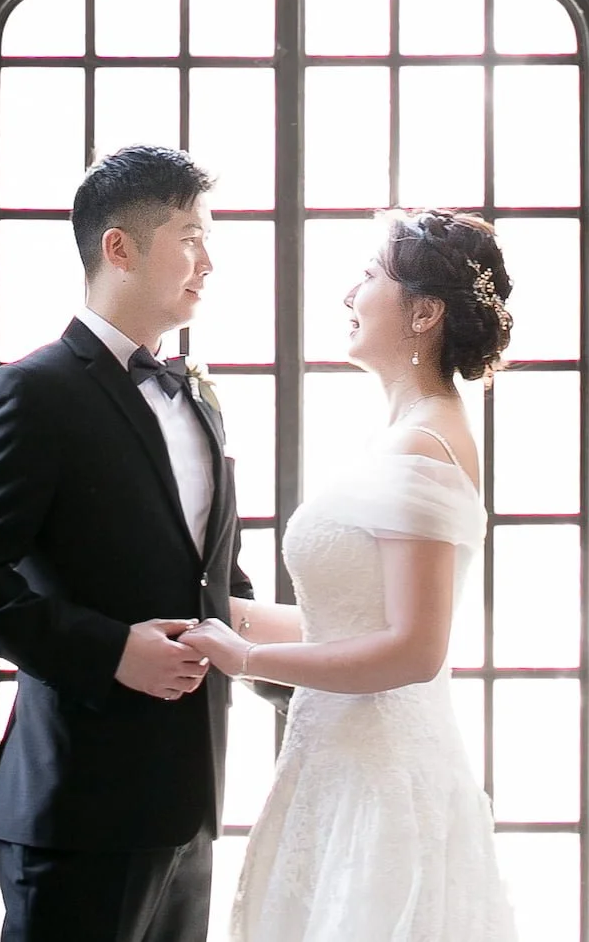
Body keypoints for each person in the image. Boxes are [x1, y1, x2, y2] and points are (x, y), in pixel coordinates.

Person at [0, 144, 252, 942]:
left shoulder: (196, 402)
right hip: (77, 805)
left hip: (190, 800)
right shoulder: (32, 392)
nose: (208, 261)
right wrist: (112, 652)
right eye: (189, 235)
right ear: (118, 247)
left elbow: (216, 581)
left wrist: (320, 668)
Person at [181, 210, 518, 942]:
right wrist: (219, 618)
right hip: (339, 762)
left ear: (423, 313)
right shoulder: (412, 431)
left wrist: (247, 659)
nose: (348, 295)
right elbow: (352, 623)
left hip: (380, 780)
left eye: (368, 276)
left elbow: (412, 650)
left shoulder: (425, 444)